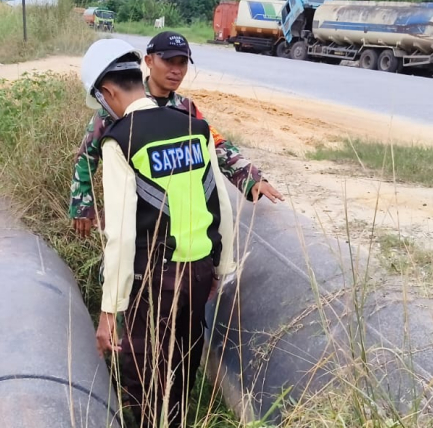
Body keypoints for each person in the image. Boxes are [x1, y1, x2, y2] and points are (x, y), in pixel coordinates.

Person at [84, 38, 235, 427]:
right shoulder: (195, 126)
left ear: (107, 92)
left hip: (156, 279)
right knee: (184, 365)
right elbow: (221, 205)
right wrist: (221, 269)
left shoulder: (120, 140)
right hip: (199, 271)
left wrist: (108, 314)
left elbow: (119, 234)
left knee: (146, 373)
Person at [70, 31, 283, 236]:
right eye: (169, 61)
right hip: (130, 210)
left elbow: (216, 145)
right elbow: (87, 155)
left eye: (182, 63)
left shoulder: (186, 109)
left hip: (175, 217)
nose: (176, 70)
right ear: (149, 61)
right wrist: (82, 204)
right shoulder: (118, 103)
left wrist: (251, 178)